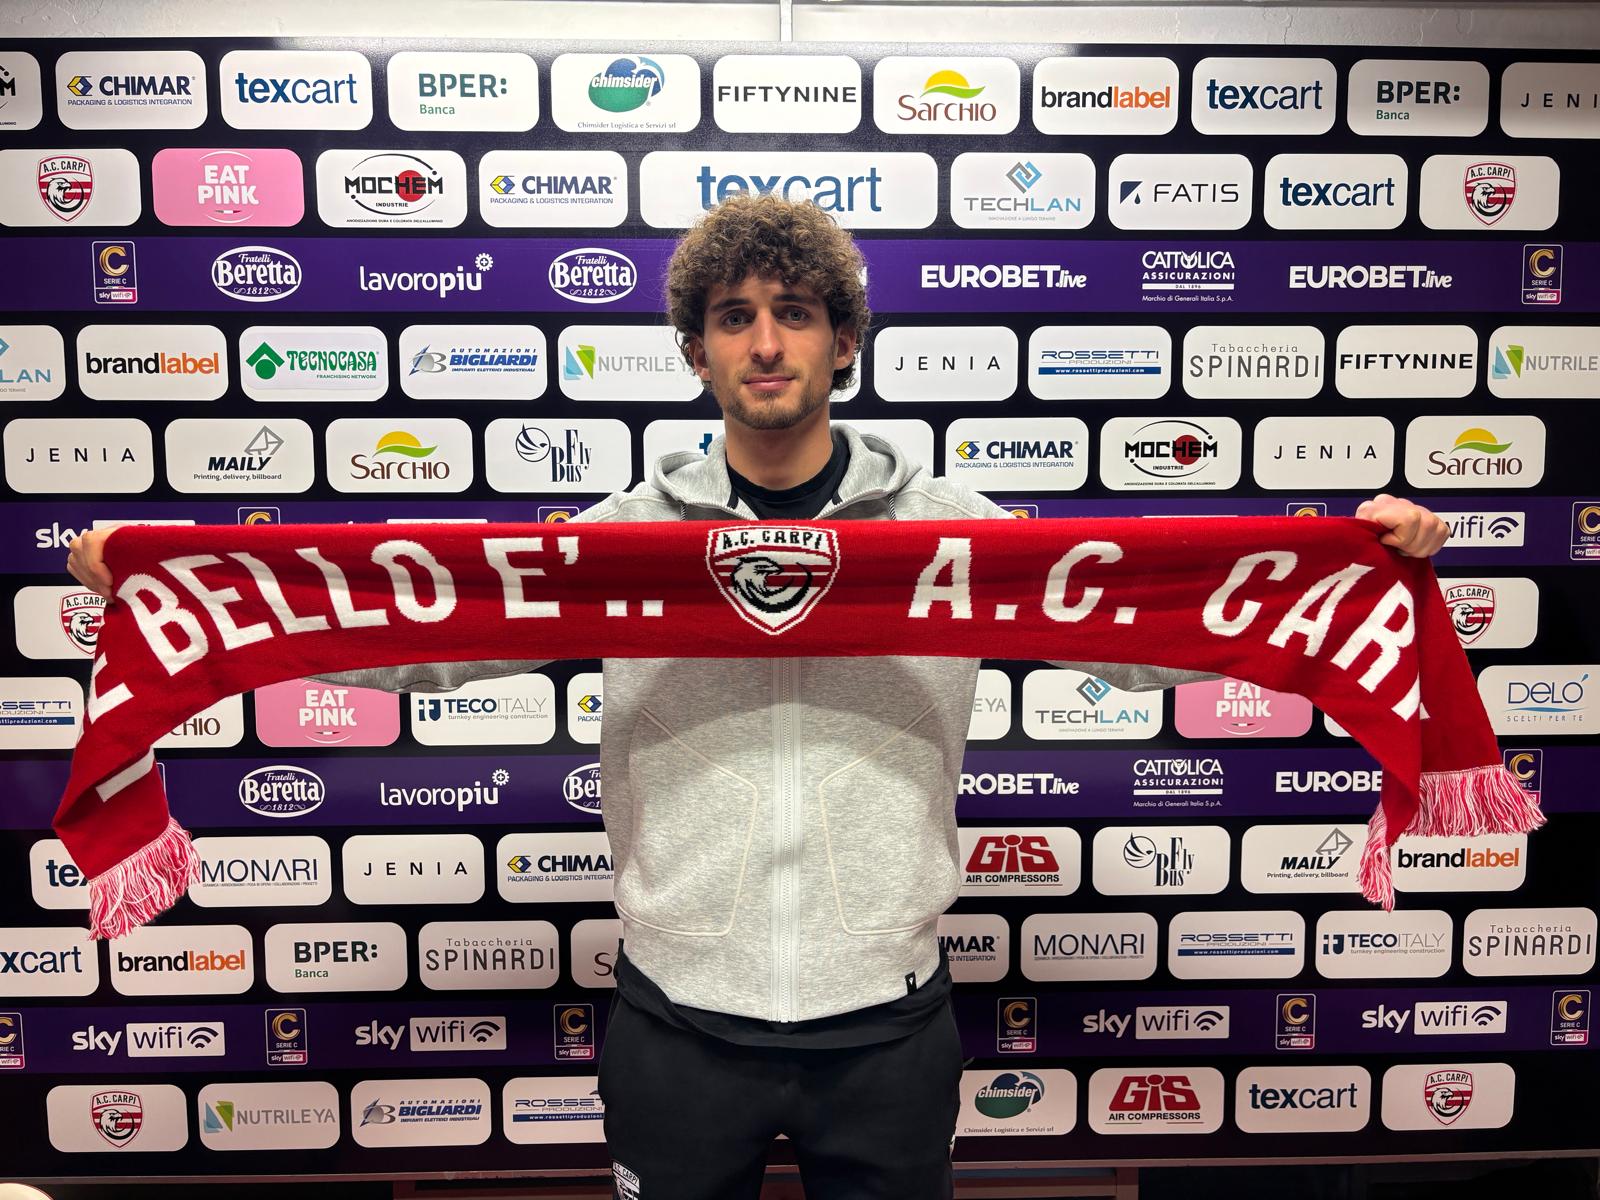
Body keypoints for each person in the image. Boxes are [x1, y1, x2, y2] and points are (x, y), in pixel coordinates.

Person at [69, 195, 1449, 1199]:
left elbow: (1146, 637)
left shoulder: (952, 532)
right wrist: (169, 580)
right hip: (679, 1023)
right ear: (697, 350)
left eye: (796, 314)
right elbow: (420, 639)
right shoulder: (622, 541)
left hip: (889, 1023)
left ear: (845, 342)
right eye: (735, 318)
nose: (767, 342)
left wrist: (1353, 562)